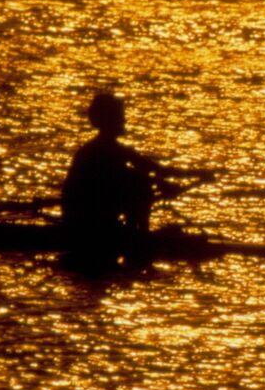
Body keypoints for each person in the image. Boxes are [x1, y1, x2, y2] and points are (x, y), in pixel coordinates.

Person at [61, 92, 213, 267]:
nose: (124, 121)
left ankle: (137, 238)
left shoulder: (112, 148)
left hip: (94, 216)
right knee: (140, 184)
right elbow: (134, 177)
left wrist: (198, 174)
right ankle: (139, 241)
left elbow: (156, 169)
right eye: (120, 116)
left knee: (140, 181)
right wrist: (162, 183)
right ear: (109, 120)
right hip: (86, 220)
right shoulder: (97, 151)